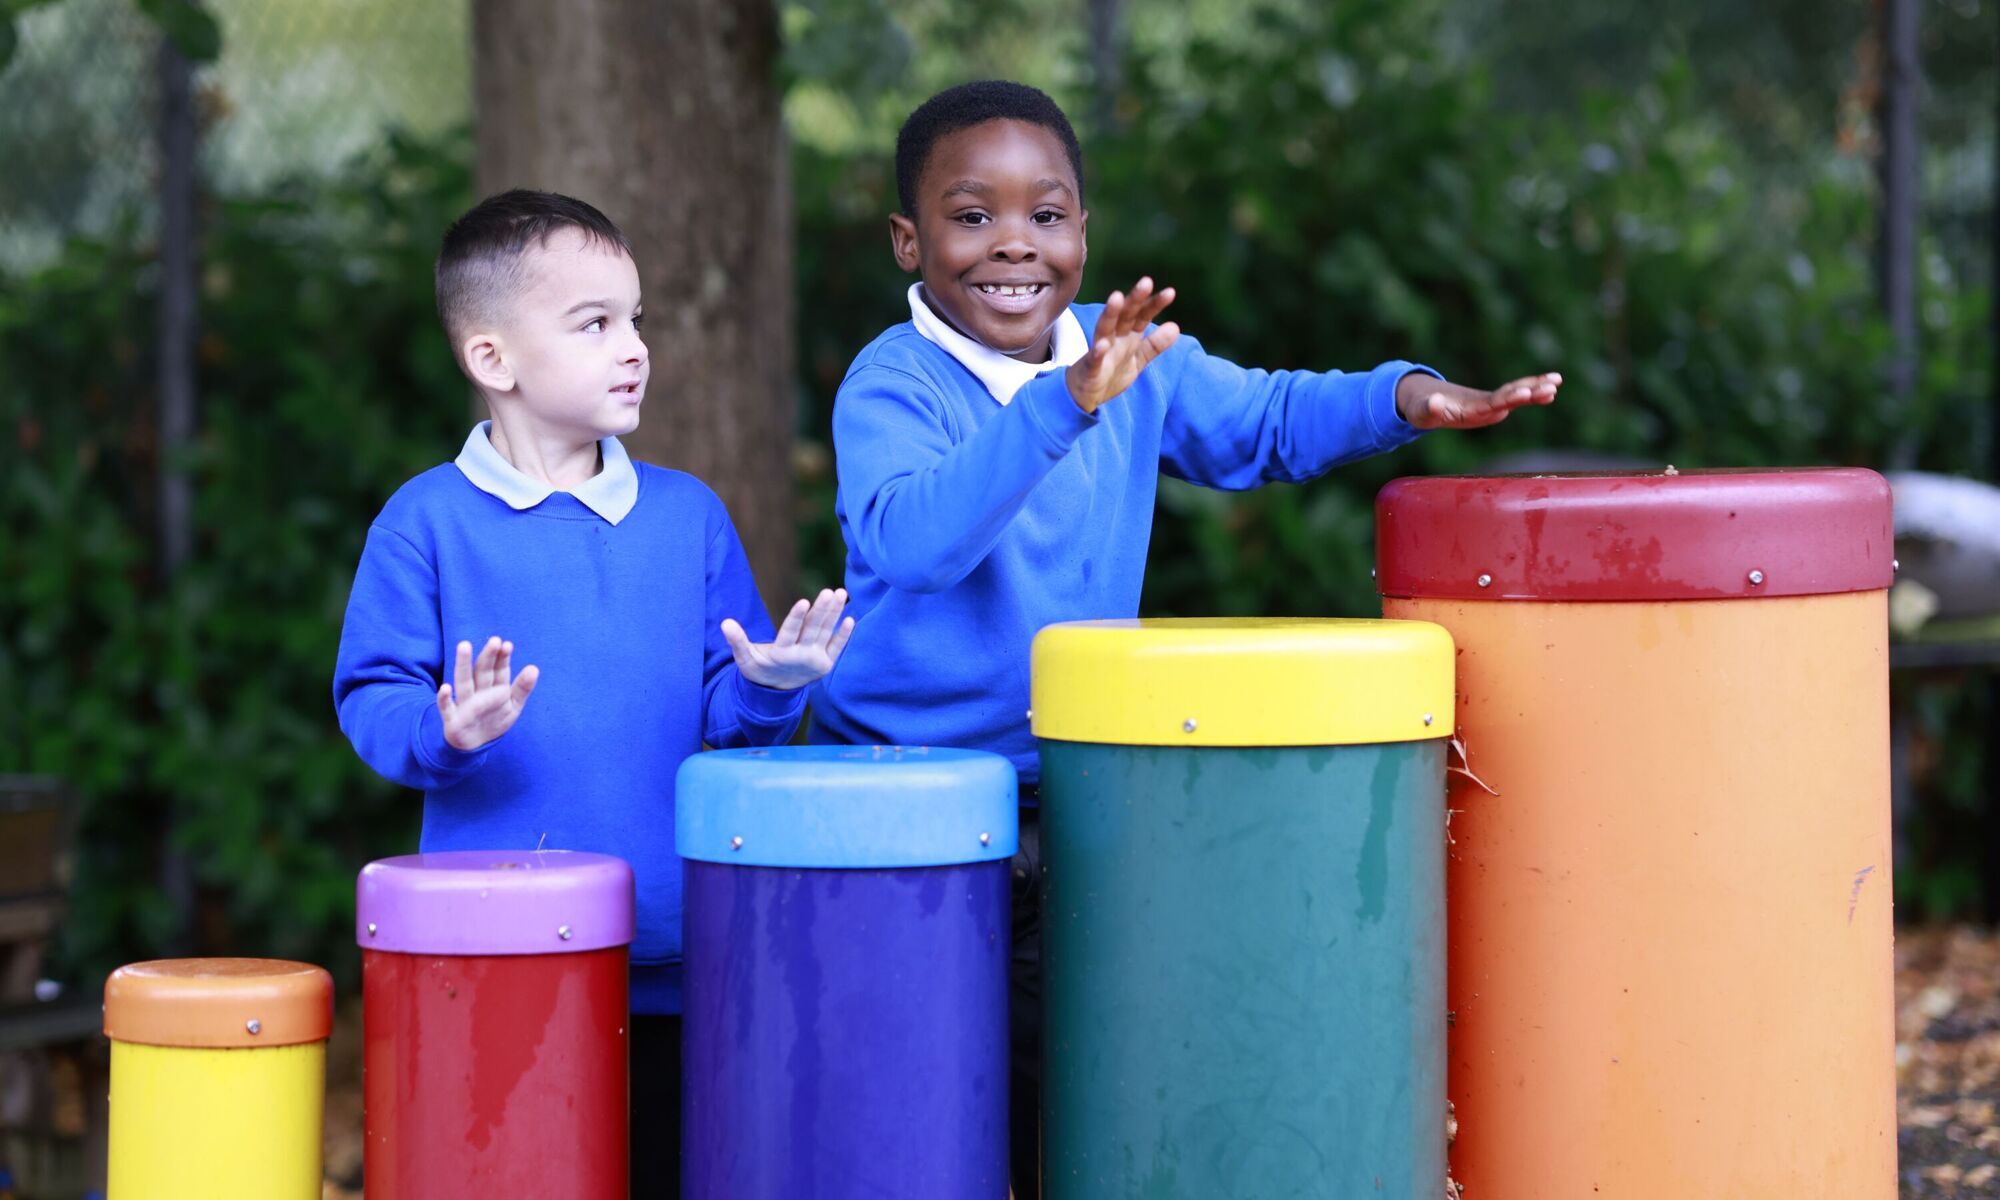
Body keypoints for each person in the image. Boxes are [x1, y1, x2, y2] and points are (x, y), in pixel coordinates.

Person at [809, 80, 1560, 1197]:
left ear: (1082, 229)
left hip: (1072, 789)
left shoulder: (1125, 359)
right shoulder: (895, 383)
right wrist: (1063, 404)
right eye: (971, 216)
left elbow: (1262, 419)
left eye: (1046, 214)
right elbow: (916, 543)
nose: (1013, 243)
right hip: (908, 801)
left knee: (1079, 1088)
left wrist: (1401, 398)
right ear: (908, 240)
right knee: (931, 1105)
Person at [332, 189, 851, 1197]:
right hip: (498, 957)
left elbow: (726, 716)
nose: (634, 348)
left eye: (636, 320)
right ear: (493, 359)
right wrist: (443, 730)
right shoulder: (424, 522)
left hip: (680, 959)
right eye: (594, 324)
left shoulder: (689, 516)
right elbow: (370, 694)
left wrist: (767, 692)